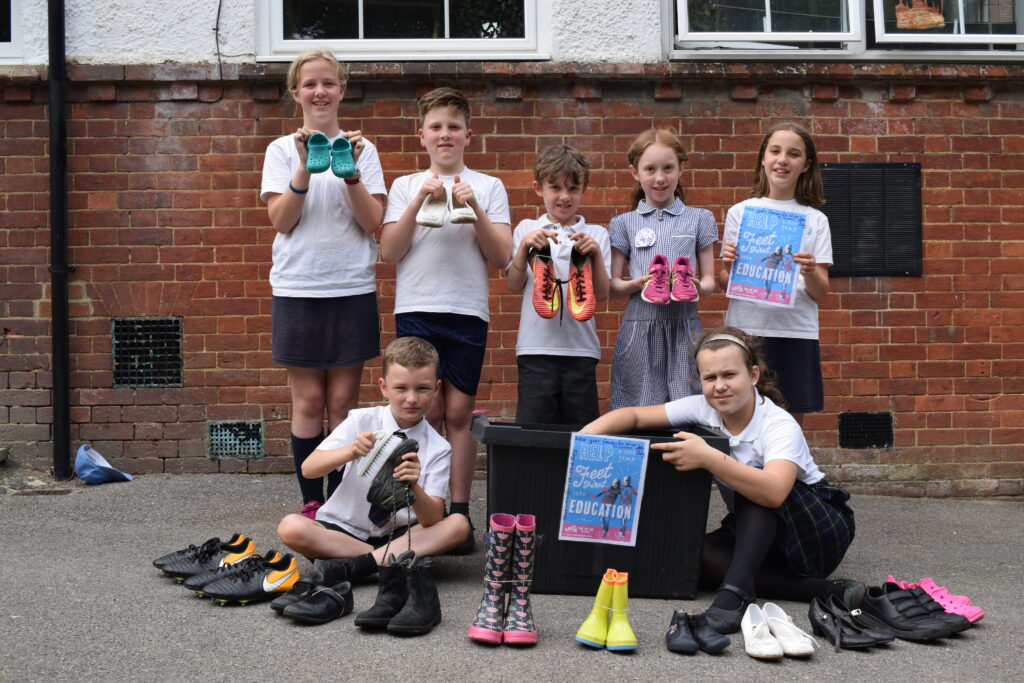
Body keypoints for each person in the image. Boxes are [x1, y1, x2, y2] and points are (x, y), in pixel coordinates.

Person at [580, 327, 856, 634]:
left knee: (754, 485)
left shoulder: (778, 424)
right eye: (710, 378)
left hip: (818, 532)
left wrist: (709, 457)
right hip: (761, 535)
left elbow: (775, 492)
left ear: (753, 375)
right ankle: (818, 590)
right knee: (692, 559)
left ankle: (734, 596)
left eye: (729, 375)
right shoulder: (702, 407)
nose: (719, 386)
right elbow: (633, 416)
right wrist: (579, 443)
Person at [380, 87, 511, 553]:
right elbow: (389, 251)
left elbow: (502, 255)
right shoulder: (404, 185)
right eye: (435, 127)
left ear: (469, 135)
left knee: (457, 412)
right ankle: (417, 509)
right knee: (423, 409)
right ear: (422, 136)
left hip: (467, 310)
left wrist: (474, 208)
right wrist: (419, 200)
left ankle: (459, 511)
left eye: (454, 127)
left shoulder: (489, 186)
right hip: (417, 308)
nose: (445, 135)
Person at [259, 49, 387, 518]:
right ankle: (313, 501)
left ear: (342, 91)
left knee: (342, 402)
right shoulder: (280, 150)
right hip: (298, 288)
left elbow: (373, 221)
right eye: (310, 84)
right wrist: (303, 167)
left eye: (328, 83)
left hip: (351, 286)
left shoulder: (362, 149)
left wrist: (350, 173)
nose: (319, 92)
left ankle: (341, 502)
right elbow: (282, 220)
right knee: (310, 400)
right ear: (295, 93)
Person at [276, 336, 471, 582]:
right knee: (291, 527)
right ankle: (389, 561)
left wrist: (414, 487)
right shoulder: (361, 421)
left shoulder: (439, 447)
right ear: (384, 387)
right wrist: (350, 451)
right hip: (344, 531)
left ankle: (357, 566)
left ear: (436, 388)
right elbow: (309, 469)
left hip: (401, 532)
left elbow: (432, 518)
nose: (411, 398)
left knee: (458, 525)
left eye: (422, 388)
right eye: (401, 388)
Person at [717, 122, 831, 427]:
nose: (782, 160)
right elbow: (726, 284)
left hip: (795, 330)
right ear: (763, 158)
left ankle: (788, 462)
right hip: (745, 329)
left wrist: (809, 271)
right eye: (775, 151)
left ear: (806, 164)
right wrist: (727, 268)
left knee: (791, 418)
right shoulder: (741, 212)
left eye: (793, 154)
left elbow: (820, 291)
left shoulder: (816, 220)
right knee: (741, 413)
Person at [607, 129, 718, 410]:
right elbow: (613, 286)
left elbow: (710, 281)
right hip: (640, 328)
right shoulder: (623, 223)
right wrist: (638, 284)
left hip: (684, 327)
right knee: (637, 407)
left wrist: (696, 285)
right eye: (650, 169)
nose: (660, 178)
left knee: (687, 408)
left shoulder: (700, 219)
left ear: (681, 169)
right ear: (635, 172)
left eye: (668, 168)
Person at [506, 144, 611, 425]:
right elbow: (514, 285)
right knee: (534, 432)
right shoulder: (526, 228)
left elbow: (603, 294)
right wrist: (524, 249)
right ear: (538, 188)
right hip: (535, 349)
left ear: (584, 189)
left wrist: (595, 255)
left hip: (582, 350)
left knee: (582, 433)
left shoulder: (597, 234)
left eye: (573, 188)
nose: (564, 196)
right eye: (555, 187)